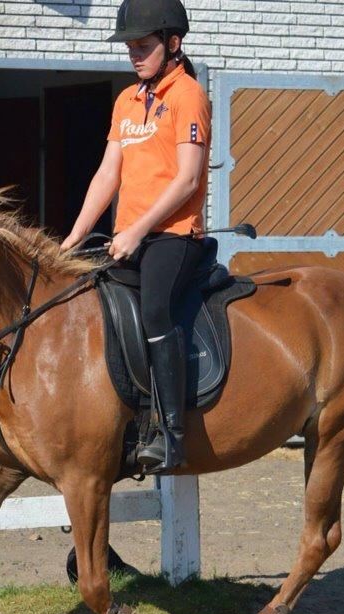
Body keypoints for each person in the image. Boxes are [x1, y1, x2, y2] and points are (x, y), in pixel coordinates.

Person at [60, 0, 209, 474]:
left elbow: (187, 180)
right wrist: (71, 240)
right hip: (129, 235)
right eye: (129, 47)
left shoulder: (188, 96)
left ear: (173, 43)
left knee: (154, 309)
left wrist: (137, 230)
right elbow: (108, 174)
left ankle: (170, 434)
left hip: (174, 235)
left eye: (143, 46)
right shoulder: (126, 101)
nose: (134, 55)